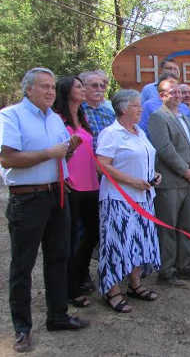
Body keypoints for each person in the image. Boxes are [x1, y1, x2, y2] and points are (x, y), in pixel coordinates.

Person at [0, 68, 89, 353]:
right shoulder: (11, 116)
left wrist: (69, 149)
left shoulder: (54, 119)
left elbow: (60, 153)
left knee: (58, 257)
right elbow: (7, 158)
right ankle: (22, 329)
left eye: (52, 87)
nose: (51, 91)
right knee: (22, 266)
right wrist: (49, 154)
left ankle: (58, 316)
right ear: (28, 89)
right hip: (28, 199)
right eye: (44, 87)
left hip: (57, 194)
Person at [96, 89, 161, 312]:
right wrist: (132, 181)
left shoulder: (138, 132)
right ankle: (112, 291)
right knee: (117, 244)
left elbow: (145, 159)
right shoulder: (111, 133)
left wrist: (153, 176)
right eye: (135, 105)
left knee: (140, 242)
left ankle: (135, 284)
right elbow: (102, 164)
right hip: (119, 199)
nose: (140, 108)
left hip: (144, 198)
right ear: (123, 108)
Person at [149, 77, 190, 287]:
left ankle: (186, 265)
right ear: (162, 96)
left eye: (179, 92)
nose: (177, 95)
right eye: (171, 92)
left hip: (189, 182)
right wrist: (186, 171)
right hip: (171, 183)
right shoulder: (158, 117)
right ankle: (167, 271)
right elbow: (165, 150)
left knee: (185, 226)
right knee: (168, 228)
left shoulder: (183, 116)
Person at [53, 76, 100, 308]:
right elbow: (56, 153)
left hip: (92, 185)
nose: (83, 90)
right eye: (79, 86)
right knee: (71, 239)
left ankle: (80, 277)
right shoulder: (57, 120)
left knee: (92, 235)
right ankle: (70, 289)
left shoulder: (83, 118)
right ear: (66, 91)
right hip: (72, 187)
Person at [80, 71, 115, 151]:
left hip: (107, 159)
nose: (99, 89)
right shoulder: (77, 111)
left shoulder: (109, 113)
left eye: (102, 86)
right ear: (83, 88)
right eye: (94, 86)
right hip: (86, 158)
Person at [138, 72, 178, 138]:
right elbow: (142, 129)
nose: (174, 87)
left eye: (175, 84)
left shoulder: (183, 107)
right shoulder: (149, 106)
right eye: (170, 83)